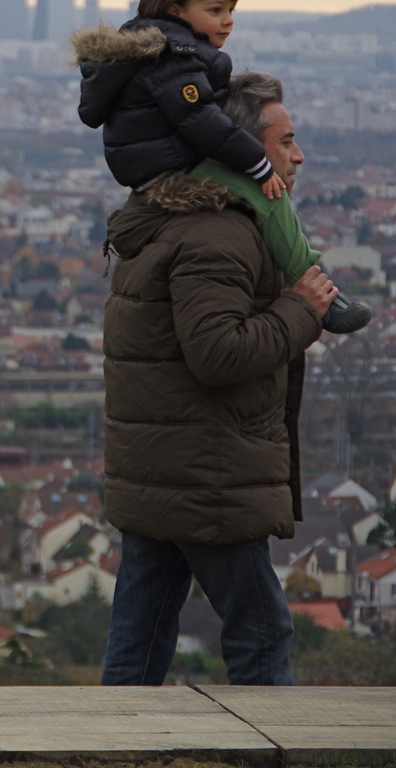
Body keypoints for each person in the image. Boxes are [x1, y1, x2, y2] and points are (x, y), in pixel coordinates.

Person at [99, 71, 332, 685]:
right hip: (209, 474)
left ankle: (111, 752)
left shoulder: (169, 221)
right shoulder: (219, 234)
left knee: (140, 640)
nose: (298, 154)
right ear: (245, 151)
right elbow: (219, 354)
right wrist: (300, 310)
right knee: (260, 631)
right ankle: (267, 753)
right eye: (285, 141)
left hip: (161, 470)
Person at [75, 0, 371, 334]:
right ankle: (316, 286)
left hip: (153, 166)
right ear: (176, 9)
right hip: (172, 169)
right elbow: (200, 120)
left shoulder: (154, 51)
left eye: (231, 9)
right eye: (215, 10)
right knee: (269, 195)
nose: (228, 20)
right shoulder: (174, 56)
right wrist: (258, 164)